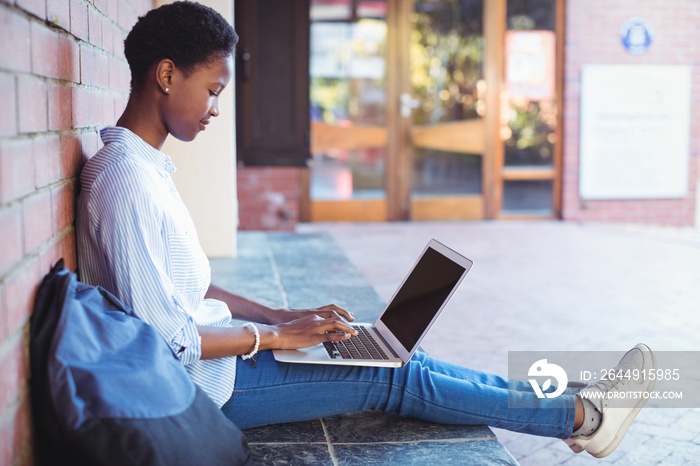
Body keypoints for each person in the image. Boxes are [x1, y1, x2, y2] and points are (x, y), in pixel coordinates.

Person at [76, 1, 655, 459]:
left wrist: (282, 317)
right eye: (213, 90)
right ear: (167, 75)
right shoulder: (124, 179)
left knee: (400, 357)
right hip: (207, 390)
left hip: (224, 358)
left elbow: (189, 290)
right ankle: (584, 419)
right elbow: (166, 338)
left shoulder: (147, 168)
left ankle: (573, 405)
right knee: (393, 377)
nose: (215, 109)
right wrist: (277, 339)